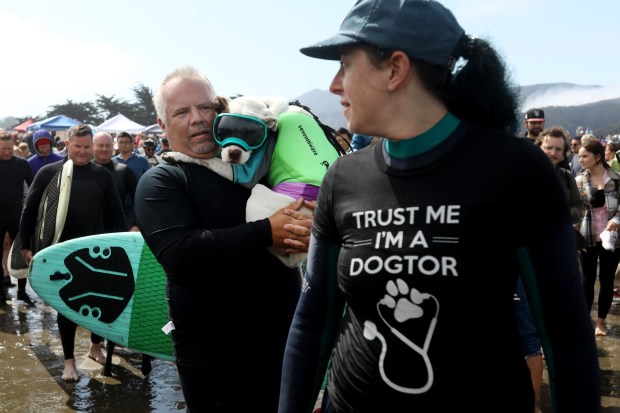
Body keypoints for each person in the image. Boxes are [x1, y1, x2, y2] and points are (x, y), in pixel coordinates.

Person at [278, 1, 601, 412]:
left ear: (395, 69)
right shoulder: (343, 178)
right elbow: (312, 325)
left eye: (344, 65)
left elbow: (565, 335)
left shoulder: (516, 171)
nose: (334, 85)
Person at [134, 66, 312, 412]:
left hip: (284, 341)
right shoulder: (163, 180)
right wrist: (266, 231)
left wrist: (304, 228)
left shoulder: (254, 168)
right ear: (163, 125)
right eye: (182, 112)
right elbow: (180, 253)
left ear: (221, 111)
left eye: (205, 108)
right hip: (215, 358)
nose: (197, 119)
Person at [19, 124, 128, 381]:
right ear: (67, 145)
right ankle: (69, 361)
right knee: (66, 306)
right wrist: (26, 245)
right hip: (61, 249)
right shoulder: (49, 173)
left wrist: (125, 244)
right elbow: (30, 210)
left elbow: (117, 212)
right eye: (77, 147)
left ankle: (94, 347)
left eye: (86, 147)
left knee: (100, 301)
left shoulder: (102, 175)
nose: (82, 152)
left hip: (94, 249)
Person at [575, 139, 620, 337]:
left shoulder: (616, 179)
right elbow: (574, 211)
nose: (580, 159)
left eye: (585, 156)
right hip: (588, 238)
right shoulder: (578, 180)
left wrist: (617, 220)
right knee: (587, 280)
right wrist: (576, 238)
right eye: (579, 156)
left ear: (598, 157)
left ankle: (600, 322)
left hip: (613, 239)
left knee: (607, 280)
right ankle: (585, 320)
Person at [0, 132, 34, 307]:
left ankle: (22, 292)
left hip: (17, 215)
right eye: (3, 149)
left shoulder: (21, 164)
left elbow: (33, 186)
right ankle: (1, 294)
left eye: (8, 149)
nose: (7, 152)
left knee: (21, 253)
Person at [93, 131, 139, 231]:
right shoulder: (84, 170)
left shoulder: (123, 170)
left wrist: (135, 225)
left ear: (113, 147)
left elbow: (138, 200)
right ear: (92, 146)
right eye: (100, 145)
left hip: (117, 232)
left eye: (108, 145)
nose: (104, 149)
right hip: (88, 234)